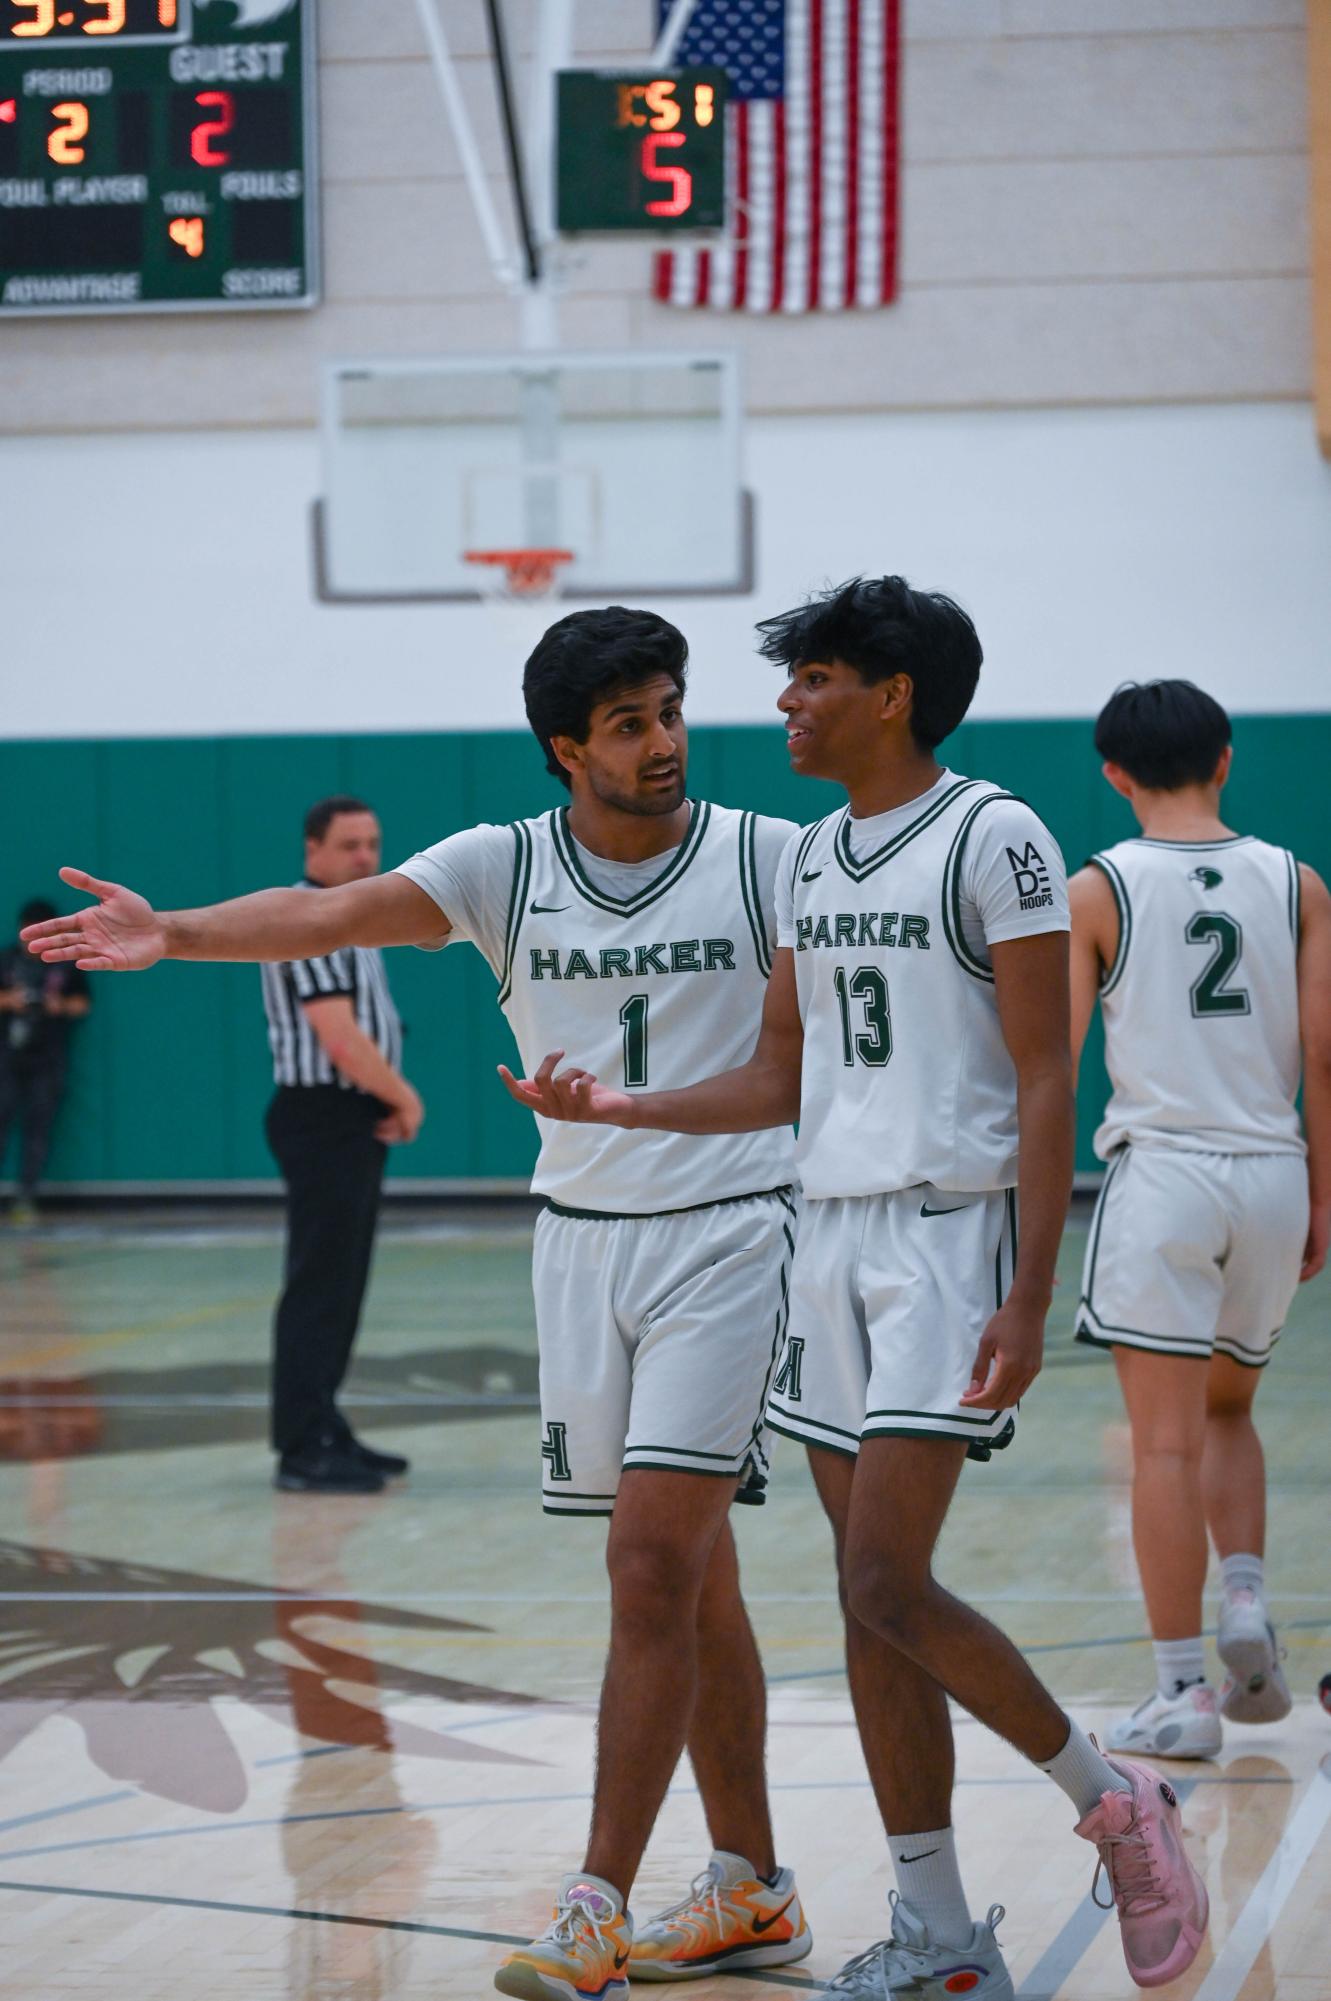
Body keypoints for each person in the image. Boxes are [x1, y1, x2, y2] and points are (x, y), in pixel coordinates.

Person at [22, 606, 814, 2000]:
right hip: (578, 1240)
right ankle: (750, 1886)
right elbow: (324, 913)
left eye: (671, 710)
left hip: (730, 1232)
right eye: (628, 722)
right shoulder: (501, 865)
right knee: (692, 1577)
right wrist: (176, 931)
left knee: (645, 1563)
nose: (664, 740)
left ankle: (593, 1902)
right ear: (567, 748)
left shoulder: (764, 856)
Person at [506, 578, 1212, 1997]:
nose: (782, 703)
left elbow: (1037, 1073)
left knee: (888, 1574)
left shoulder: (991, 833)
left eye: (812, 677)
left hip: (944, 1238)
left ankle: (1112, 1801)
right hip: (821, 1238)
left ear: (888, 694)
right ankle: (940, 1934)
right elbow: (778, 1072)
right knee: (860, 1595)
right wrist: (624, 1110)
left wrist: (1024, 1290)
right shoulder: (811, 861)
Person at [1067, 680, 1330, 1758]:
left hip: (1164, 1178)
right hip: (1272, 1174)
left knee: (1160, 1445)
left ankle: (1182, 1692)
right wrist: (1322, 1190)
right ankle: (1242, 1602)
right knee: (1228, 1414)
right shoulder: (1295, 884)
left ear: (1112, 773)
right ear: (1224, 759)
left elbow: (1055, 1057)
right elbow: (1324, 1056)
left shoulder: (1097, 890)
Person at [259, 795, 423, 1495]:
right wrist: (401, 1094)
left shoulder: (351, 913)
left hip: (346, 1115)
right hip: (322, 1112)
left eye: (372, 843)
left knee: (341, 1284)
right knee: (320, 1285)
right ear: (312, 851)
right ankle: (302, 1445)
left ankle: (324, 1421)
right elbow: (337, 1035)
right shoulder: (307, 918)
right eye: (349, 844)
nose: (364, 856)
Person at [0, 898, 91, 1222]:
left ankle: (26, 1197)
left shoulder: (66, 964)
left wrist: (60, 1006)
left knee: (38, 1128)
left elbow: (82, 1003)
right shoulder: (6, 960)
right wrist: (9, 1001)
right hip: (8, 1055)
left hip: (48, 1057)